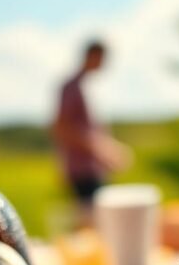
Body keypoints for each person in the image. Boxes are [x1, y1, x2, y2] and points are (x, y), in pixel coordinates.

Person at [51, 40, 131, 211]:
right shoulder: (72, 87)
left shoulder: (83, 86)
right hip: (83, 172)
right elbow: (62, 128)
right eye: (102, 58)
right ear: (92, 56)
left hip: (92, 170)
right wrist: (101, 150)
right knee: (93, 221)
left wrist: (108, 147)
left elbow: (86, 130)